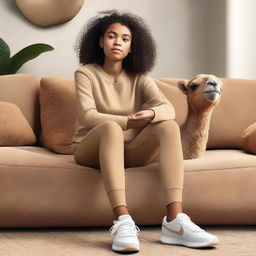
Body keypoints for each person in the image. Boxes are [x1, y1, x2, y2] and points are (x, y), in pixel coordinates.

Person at [71, 9, 219, 252]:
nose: (118, 41)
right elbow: (88, 116)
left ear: (131, 47)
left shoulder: (140, 78)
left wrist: (151, 114)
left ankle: (174, 221)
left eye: (125, 38)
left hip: (131, 150)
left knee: (168, 125)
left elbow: (167, 109)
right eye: (111, 36)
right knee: (110, 127)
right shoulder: (85, 73)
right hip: (91, 148)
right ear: (100, 41)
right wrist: (127, 122)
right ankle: (122, 220)